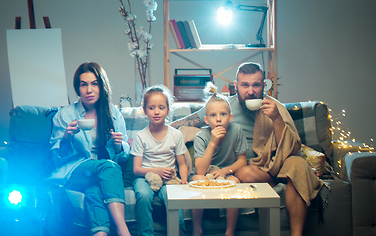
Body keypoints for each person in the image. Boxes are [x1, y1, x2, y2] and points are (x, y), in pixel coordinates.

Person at [172, 62, 324, 236]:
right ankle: (272, 187)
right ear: (236, 86)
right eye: (245, 85)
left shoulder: (274, 107)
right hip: (252, 169)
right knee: (244, 173)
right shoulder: (224, 107)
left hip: (277, 163)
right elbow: (189, 121)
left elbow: (291, 147)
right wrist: (156, 129)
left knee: (298, 164)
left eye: (256, 85)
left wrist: (276, 119)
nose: (250, 91)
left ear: (263, 86)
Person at [49, 62, 131, 236]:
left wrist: (119, 146)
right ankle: (124, 231)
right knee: (107, 166)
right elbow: (56, 158)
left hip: (101, 175)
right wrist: (66, 137)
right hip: (74, 171)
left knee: (94, 191)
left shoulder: (113, 114)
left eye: (94, 83)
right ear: (78, 88)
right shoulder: (65, 115)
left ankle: (100, 233)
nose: (89, 90)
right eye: (83, 84)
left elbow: (123, 158)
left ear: (102, 86)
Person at [189, 82, 248, 236]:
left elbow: (242, 161)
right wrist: (213, 142)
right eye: (213, 115)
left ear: (230, 117)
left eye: (223, 114)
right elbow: (199, 169)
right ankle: (197, 229)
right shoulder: (201, 136)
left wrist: (224, 171)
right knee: (196, 179)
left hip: (226, 173)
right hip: (205, 173)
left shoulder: (236, 130)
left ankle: (229, 232)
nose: (219, 119)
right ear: (206, 120)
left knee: (235, 182)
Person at [130, 85, 188, 236]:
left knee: (172, 196)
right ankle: (145, 233)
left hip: (169, 178)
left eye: (161, 107)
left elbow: (182, 163)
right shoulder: (140, 136)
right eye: (151, 108)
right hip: (144, 177)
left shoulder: (176, 135)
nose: (156, 112)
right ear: (145, 110)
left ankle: (178, 231)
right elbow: (136, 169)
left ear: (168, 110)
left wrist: (185, 180)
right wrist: (156, 171)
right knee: (143, 195)